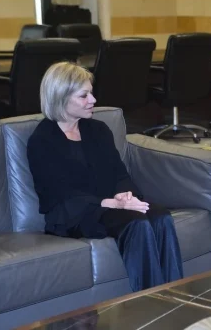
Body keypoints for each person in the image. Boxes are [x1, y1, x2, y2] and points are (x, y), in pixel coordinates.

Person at [27, 62, 183, 292]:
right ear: (61, 98)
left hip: (110, 206)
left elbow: (119, 172)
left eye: (91, 93)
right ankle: (150, 301)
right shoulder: (42, 141)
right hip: (74, 213)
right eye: (84, 96)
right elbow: (61, 194)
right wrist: (112, 203)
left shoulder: (98, 130)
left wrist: (125, 195)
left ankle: (175, 294)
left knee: (161, 217)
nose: (93, 100)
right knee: (136, 223)